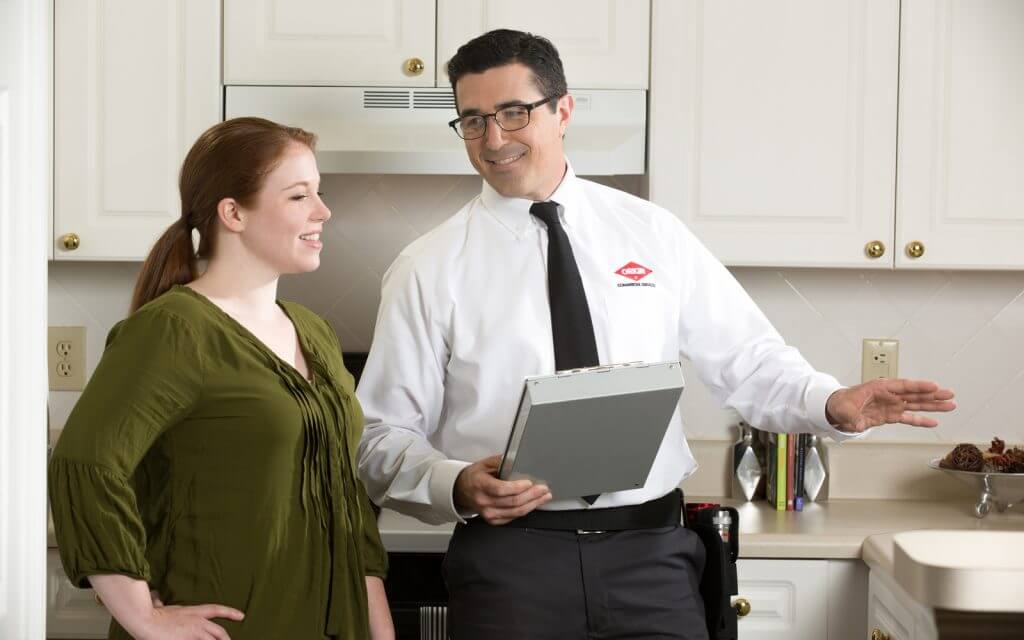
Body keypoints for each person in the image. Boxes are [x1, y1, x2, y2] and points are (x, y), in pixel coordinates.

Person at [355, 30, 956, 640]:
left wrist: (831, 403)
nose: (494, 139)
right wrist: (455, 482)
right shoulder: (427, 268)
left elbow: (749, 360)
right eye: (474, 120)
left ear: (563, 109)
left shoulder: (652, 234)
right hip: (510, 564)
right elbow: (378, 439)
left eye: (514, 113)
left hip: (653, 558)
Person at [48, 117, 394, 640]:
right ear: (233, 213)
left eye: (318, 194)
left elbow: (346, 502)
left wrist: (379, 630)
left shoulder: (314, 332)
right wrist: (144, 617)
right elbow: (85, 464)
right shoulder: (174, 330)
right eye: (299, 196)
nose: (323, 212)